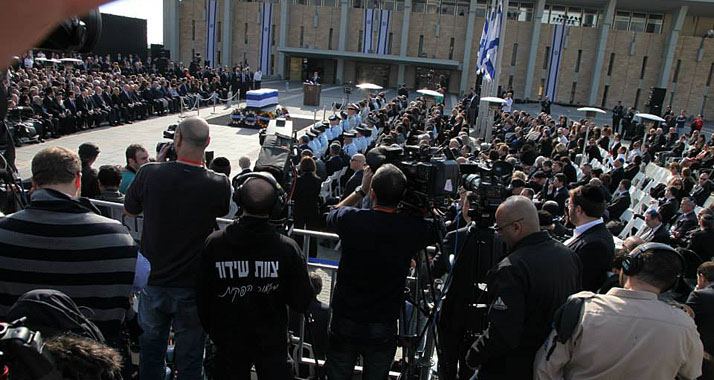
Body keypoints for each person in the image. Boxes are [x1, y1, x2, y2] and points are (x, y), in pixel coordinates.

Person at [0, 147, 139, 358]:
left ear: (34, 184)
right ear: (78, 180)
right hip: (97, 358)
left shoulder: (3, 233)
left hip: (20, 359)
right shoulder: (116, 236)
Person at [124, 116, 231, 379]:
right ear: (207, 143)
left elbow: (130, 209)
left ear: (177, 140)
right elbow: (222, 209)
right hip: (193, 285)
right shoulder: (218, 182)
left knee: (151, 349)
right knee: (192, 354)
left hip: (154, 282)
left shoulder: (149, 173)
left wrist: (156, 166)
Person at [197, 171, 314, 379]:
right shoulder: (287, 248)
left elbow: (202, 296)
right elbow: (302, 301)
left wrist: (215, 330)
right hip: (271, 341)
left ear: (240, 199)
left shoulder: (214, 243)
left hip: (228, 340)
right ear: (276, 206)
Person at [325, 164, 435, 380]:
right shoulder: (412, 228)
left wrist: (360, 190)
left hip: (346, 316)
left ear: (373, 193)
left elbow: (332, 213)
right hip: (383, 322)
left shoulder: (351, 219)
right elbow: (437, 228)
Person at [534, 243, 703, 380]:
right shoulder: (685, 325)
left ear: (627, 266)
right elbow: (692, 372)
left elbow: (546, 369)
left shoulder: (582, 307)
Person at [465, 196, 580, 379]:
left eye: (500, 229)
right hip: (551, 364)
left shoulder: (511, 268)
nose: (498, 234)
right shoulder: (568, 256)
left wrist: (474, 355)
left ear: (516, 227)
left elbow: (504, 333)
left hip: (511, 369)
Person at [565, 184, 615, 292]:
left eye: (569, 205)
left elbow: (580, 286)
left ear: (578, 210)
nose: (568, 210)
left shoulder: (595, 245)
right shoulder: (593, 234)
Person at [686, 261, 714, 380]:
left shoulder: (700, 296)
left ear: (701, 277)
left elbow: (684, 320)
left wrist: (696, 292)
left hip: (704, 357)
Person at [293, 157, 323, 258]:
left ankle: (298, 254)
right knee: (313, 234)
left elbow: (293, 195)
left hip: (299, 208)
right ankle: (312, 256)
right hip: (313, 208)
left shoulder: (298, 180)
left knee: (298, 234)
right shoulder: (318, 180)